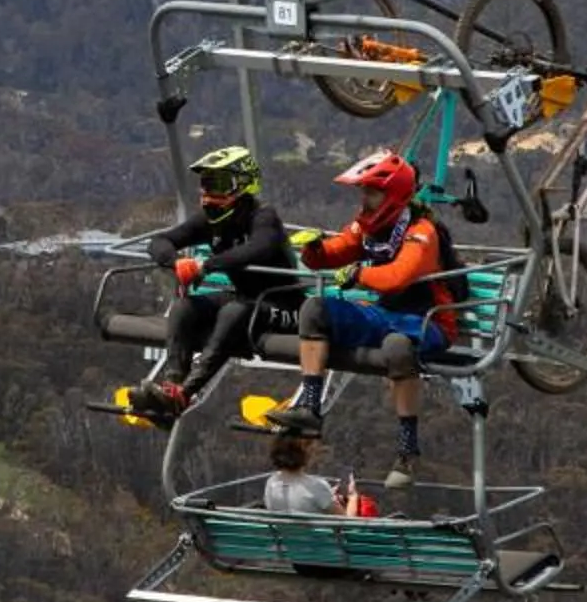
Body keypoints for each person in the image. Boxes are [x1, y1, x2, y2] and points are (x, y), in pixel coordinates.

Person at [264, 149, 452, 483]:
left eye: (371, 192)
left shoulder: (422, 232)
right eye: (363, 191)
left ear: (392, 196)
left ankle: (408, 449)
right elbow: (335, 253)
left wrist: (359, 275)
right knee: (315, 309)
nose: (364, 199)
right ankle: (309, 407)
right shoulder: (366, 226)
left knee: (397, 347)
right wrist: (315, 249)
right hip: (384, 314)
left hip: (427, 323)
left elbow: (399, 275)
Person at [130, 144, 291, 425]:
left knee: (233, 312)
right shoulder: (210, 221)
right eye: (204, 185)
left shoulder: (263, 217)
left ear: (241, 186)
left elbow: (258, 249)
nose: (207, 194)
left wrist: (206, 266)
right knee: (184, 307)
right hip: (246, 298)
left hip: (285, 303)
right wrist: (175, 261)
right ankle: (172, 382)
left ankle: (184, 394)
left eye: (217, 184)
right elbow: (160, 242)